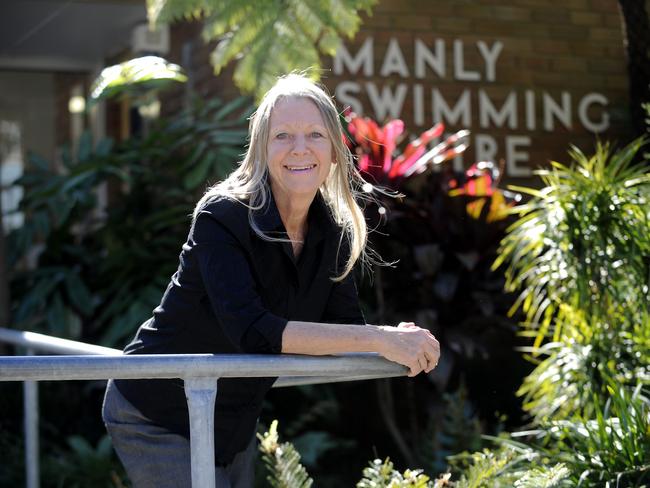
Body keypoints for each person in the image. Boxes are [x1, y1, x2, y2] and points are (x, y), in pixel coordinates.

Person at [102, 74, 440, 488]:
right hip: (155, 410)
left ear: (335, 150)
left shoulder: (331, 230)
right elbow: (253, 332)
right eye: (283, 135)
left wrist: (398, 340)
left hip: (231, 418)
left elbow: (342, 330)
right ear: (261, 147)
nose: (300, 148)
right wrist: (378, 338)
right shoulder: (221, 216)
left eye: (315, 134)